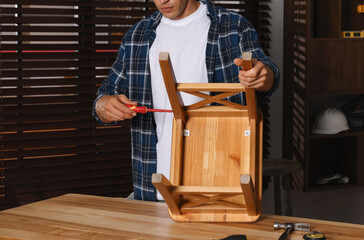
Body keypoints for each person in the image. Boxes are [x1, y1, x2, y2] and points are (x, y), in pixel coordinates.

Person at [93, 0, 280, 201]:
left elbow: (267, 74)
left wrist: (262, 76)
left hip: (218, 190)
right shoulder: (137, 35)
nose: (162, 1)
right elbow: (107, 93)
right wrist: (103, 105)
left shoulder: (233, 26)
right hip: (151, 190)